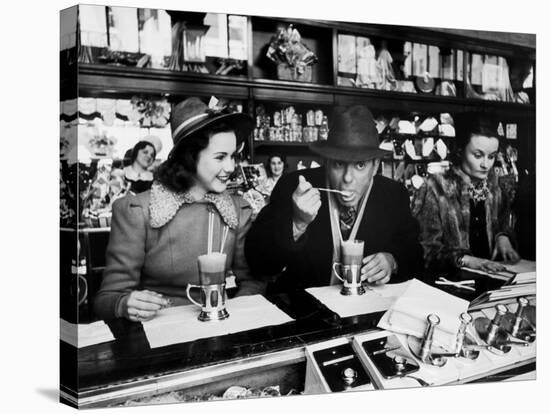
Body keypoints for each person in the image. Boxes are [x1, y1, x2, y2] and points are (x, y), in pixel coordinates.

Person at [94, 97, 264, 321]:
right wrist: (124, 304)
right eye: (220, 157)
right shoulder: (137, 210)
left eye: (233, 156)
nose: (231, 167)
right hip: (159, 335)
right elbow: (105, 300)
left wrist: (235, 314)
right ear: (189, 157)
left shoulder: (237, 209)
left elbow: (252, 281)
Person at [245, 105, 424, 293]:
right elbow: (259, 264)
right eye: (339, 163)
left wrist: (393, 260)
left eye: (360, 165)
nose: (347, 178)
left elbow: (416, 257)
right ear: (327, 162)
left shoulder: (394, 195)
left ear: (375, 165)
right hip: (306, 314)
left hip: (365, 313)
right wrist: (297, 224)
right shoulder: (294, 187)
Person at [412, 112, 520, 274]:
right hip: (448, 286)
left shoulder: (495, 187)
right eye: (478, 155)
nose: (486, 164)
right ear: (460, 150)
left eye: (491, 156)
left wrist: (502, 237)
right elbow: (425, 250)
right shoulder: (435, 187)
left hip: (492, 280)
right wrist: (466, 260)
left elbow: (504, 224)